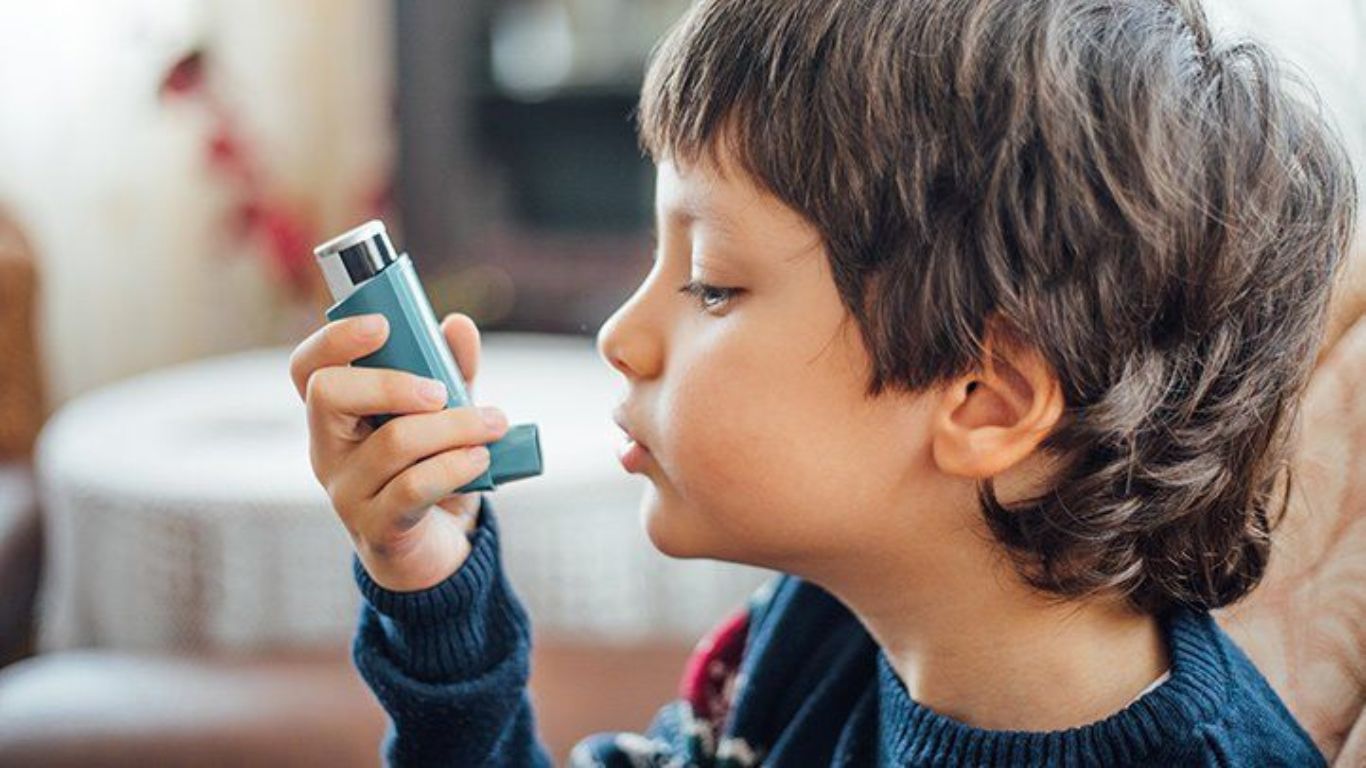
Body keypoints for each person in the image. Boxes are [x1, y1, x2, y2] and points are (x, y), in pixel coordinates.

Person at [287, 0, 1357, 765]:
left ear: (985, 402)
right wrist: (434, 587)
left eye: (710, 284)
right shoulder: (820, 631)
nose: (620, 335)